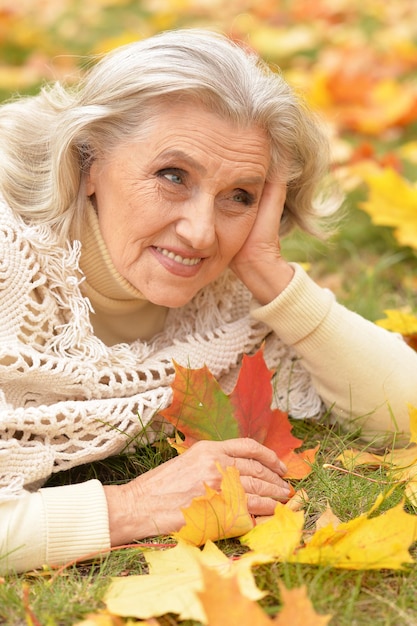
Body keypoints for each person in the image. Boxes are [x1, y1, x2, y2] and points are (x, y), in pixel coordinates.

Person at [0, 29, 416, 576]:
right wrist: (133, 505)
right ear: (88, 161)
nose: (201, 233)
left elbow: (404, 411)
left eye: (239, 196)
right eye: (173, 176)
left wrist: (270, 274)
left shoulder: (227, 302)